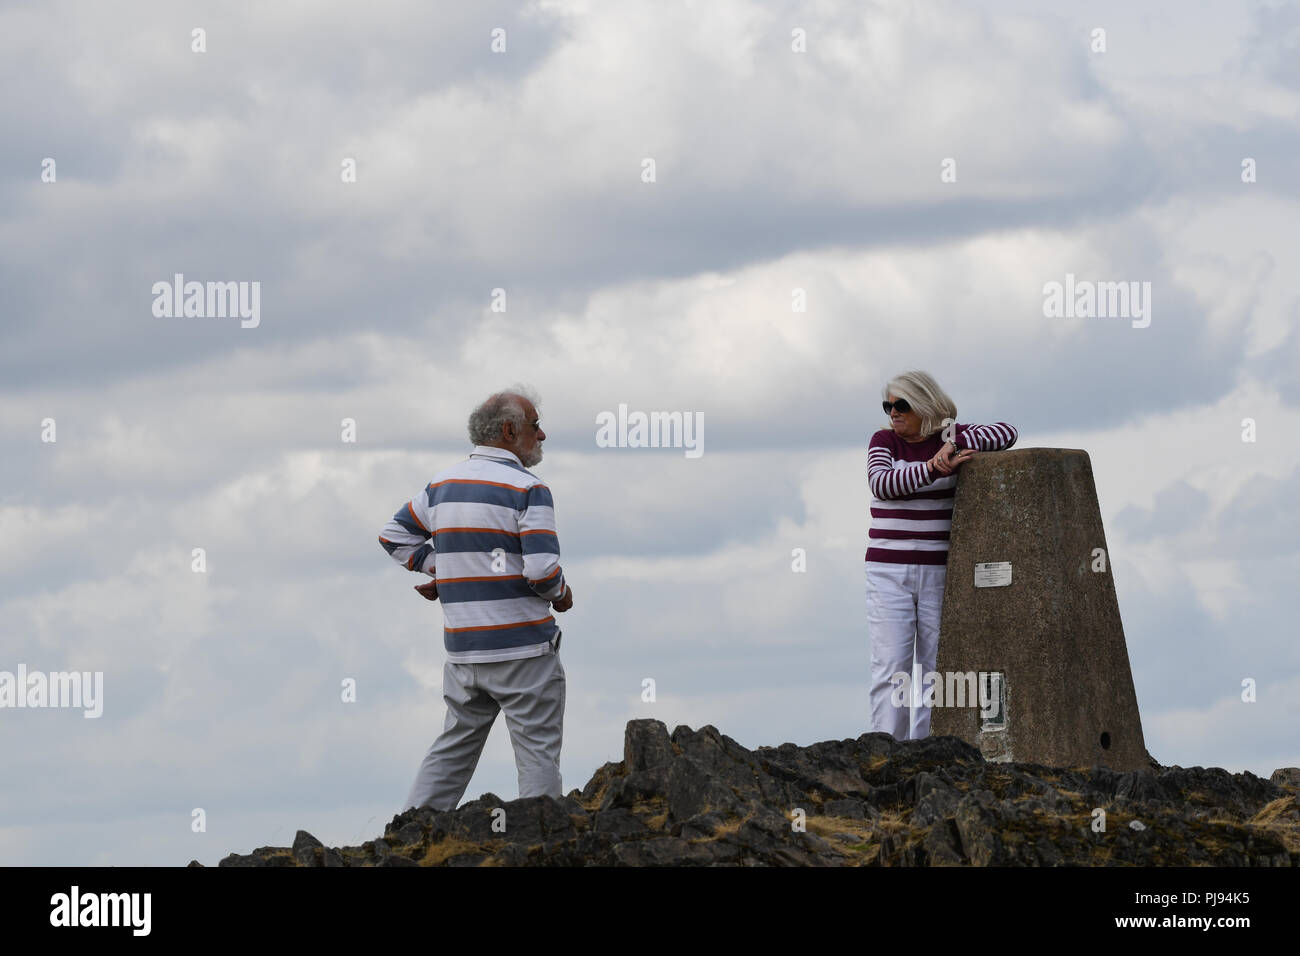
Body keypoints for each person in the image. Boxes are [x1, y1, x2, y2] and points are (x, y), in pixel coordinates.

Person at [378, 386, 573, 811]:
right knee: (537, 753)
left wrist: (441, 568)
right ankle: (540, 842)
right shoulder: (528, 489)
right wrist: (561, 594)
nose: (542, 436)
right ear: (509, 431)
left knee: (452, 750)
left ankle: (411, 832)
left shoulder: (442, 485)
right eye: (535, 427)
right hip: (525, 651)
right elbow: (541, 571)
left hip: (464, 651)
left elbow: (393, 536)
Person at [866, 370, 1017, 740]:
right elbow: (881, 482)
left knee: (938, 668)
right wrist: (933, 467)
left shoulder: (950, 437)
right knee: (891, 667)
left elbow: (1008, 432)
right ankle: (887, 751)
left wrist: (955, 438)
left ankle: (926, 750)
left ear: (924, 404)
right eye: (888, 405)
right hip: (888, 572)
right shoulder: (883, 441)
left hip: (939, 572)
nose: (893, 413)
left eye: (901, 405)